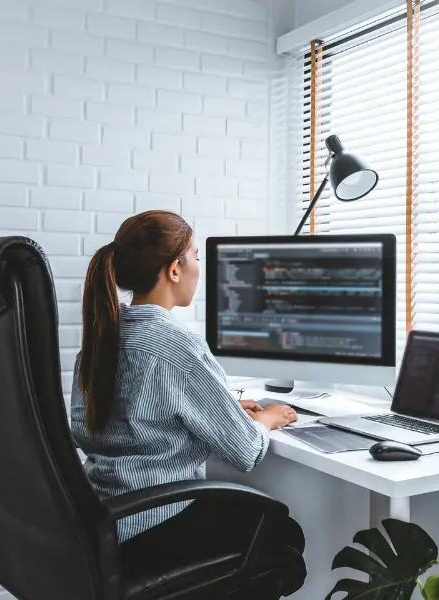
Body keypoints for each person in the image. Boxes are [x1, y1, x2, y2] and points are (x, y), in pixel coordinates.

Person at [70, 210, 305, 594]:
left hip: (104, 523)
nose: (200, 267)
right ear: (174, 269)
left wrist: (219, 407)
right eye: (195, 256)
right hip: (153, 522)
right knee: (282, 534)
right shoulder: (176, 343)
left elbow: (117, 418)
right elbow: (245, 452)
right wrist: (268, 419)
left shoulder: (102, 337)